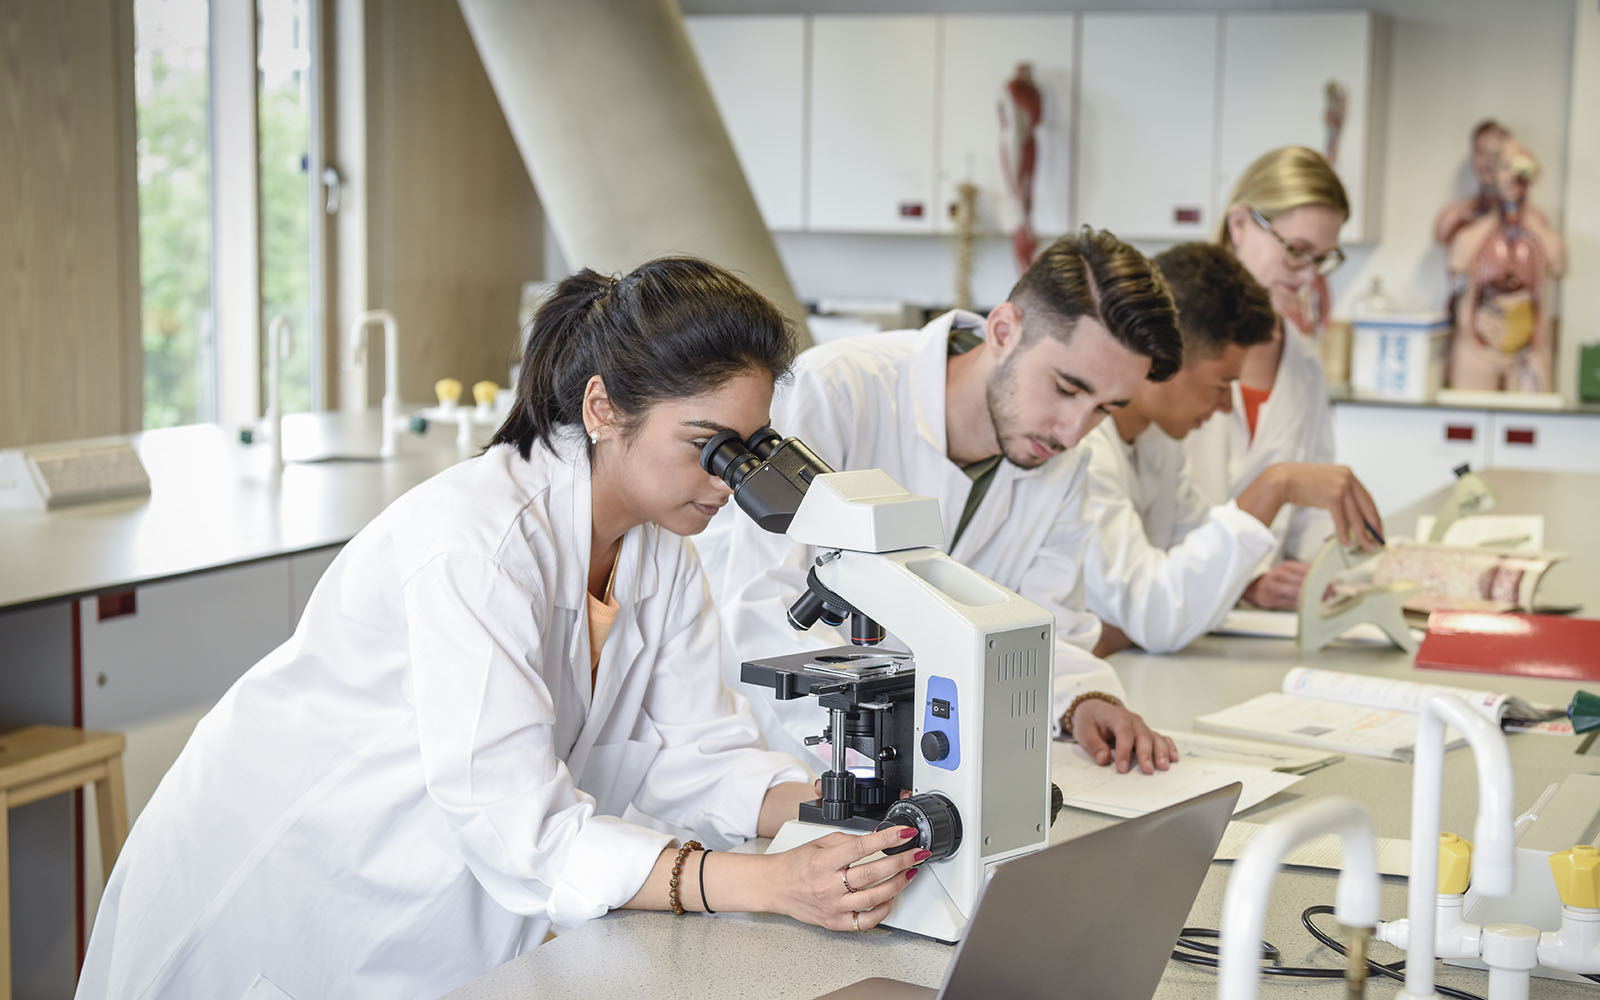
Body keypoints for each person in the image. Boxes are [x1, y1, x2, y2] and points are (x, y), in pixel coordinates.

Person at [76, 259, 925, 1000]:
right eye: (706, 445)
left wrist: (839, 808)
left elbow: (694, 750)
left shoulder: (659, 546)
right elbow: (525, 829)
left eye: (748, 447)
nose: (726, 481)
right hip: (289, 888)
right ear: (603, 407)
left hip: (424, 908)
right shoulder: (477, 543)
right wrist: (770, 885)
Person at [696, 228, 1184, 777]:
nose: (1075, 430)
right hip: (777, 763)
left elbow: (1044, 626)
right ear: (1003, 330)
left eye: (1106, 409)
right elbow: (756, 606)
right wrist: (866, 764)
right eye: (1067, 389)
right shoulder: (838, 390)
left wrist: (1083, 700)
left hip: (927, 764)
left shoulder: (1064, 459)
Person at [1082, 243, 1384, 656]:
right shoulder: (1084, 448)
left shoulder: (1158, 439)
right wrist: (1276, 484)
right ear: (1160, 359)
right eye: (1222, 385)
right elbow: (1160, 616)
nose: (1226, 406)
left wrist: (1242, 586)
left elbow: (1187, 573)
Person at [1184, 145, 1348, 610]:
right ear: (1239, 224)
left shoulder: (1304, 364)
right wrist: (1246, 581)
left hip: (1259, 623)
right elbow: (1160, 519)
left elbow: (1310, 502)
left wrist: (1319, 567)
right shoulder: (1174, 348)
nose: (1307, 275)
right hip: (1179, 610)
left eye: (1322, 259)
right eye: (1296, 251)